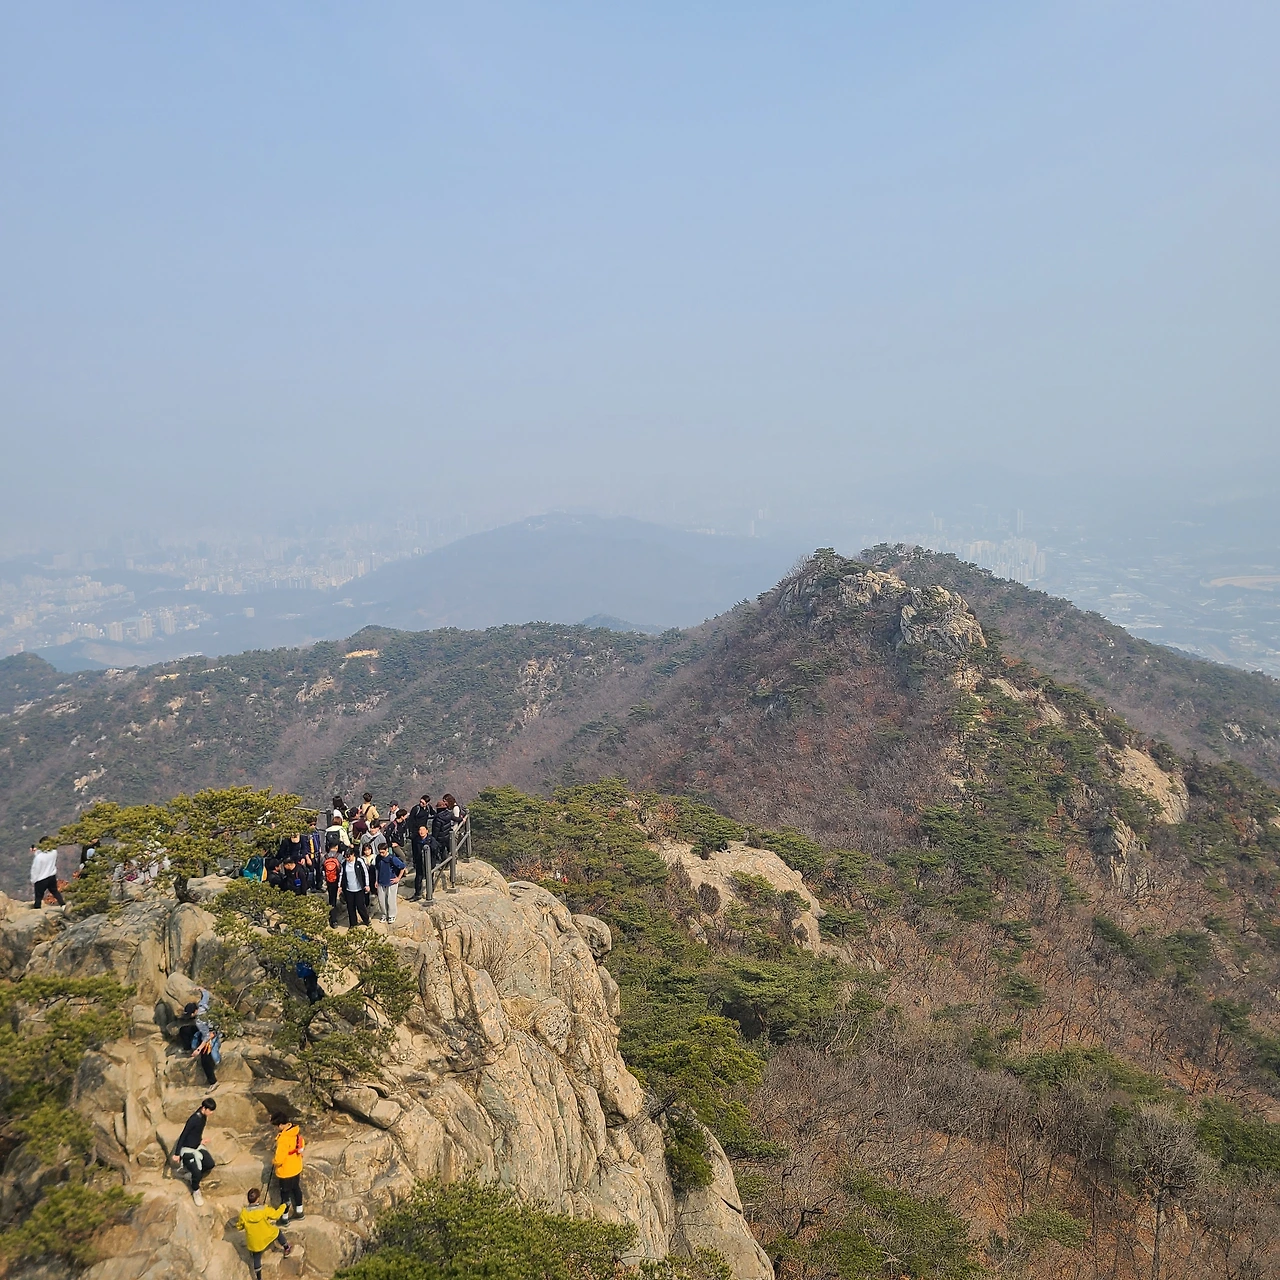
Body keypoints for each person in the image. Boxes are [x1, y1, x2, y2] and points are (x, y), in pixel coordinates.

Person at [235, 1187, 292, 1276]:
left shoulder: (244, 1213)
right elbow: (276, 1215)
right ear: (258, 1199)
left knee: (256, 1257)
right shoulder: (264, 1209)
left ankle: (259, 1277)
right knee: (277, 1232)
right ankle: (286, 1248)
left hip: (254, 1243)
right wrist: (284, 1205)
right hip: (266, 1236)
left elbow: (239, 1227)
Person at [170, 1097, 217, 1206]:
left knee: (210, 1164)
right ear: (204, 1108)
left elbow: (196, 1133)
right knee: (197, 1172)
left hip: (197, 1146)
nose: (212, 1113)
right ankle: (195, 1190)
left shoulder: (203, 1117)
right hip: (188, 1150)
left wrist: (200, 1141)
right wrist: (177, 1154)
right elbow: (184, 1135)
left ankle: (191, 1176)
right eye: (210, 1110)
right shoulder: (194, 1119)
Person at [182, 988, 220, 1088]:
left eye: (190, 1014)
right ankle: (187, 1049)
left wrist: (198, 1049)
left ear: (195, 1011)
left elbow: (207, 1036)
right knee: (184, 1030)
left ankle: (213, 1082)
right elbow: (206, 994)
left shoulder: (200, 1021)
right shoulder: (202, 1005)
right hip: (206, 1030)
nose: (190, 1016)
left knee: (205, 1060)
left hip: (210, 1034)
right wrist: (200, 989)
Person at [271, 1114, 306, 1221]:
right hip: (296, 1167)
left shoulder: (283, 1139)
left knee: (285, 1195)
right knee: (296, 1189)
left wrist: (274, 1161)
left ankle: (284, 1217)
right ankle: (299, 1212)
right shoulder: (295, 1131)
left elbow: (279, 1158)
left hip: (285, 1171)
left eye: (276, 1126)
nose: (276, 1128)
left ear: (281, 1125)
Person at [373, 839, 406, 924]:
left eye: (383, 852)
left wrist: (398, 878)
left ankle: (392, 915)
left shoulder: (392, 858)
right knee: (381, 900)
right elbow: (377, 869)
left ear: (387, 850)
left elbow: (402, 867)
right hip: (381, 881)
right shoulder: (378, 858)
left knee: (390, 900)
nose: (381, 854)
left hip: (391, 881)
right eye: (380, 852)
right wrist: (376, 880)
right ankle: (384, 914)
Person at [341, 848, 371, 927]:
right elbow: (341, 874)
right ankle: (353, 924)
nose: (347, 859)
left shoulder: (359, 861)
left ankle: (366, 920)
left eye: (349, 857)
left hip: (359, 888)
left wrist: (367, 885)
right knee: (350, 907)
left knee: (360, 906)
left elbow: (365, 873)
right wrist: (339, 886)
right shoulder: (344, 863)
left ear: (353, 854)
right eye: (346, 857)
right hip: (349, 889)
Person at [29, 844, 63, 910]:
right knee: (55, 892)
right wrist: (36, 851)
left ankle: (37, 910)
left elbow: (35, 869)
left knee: (38, 897)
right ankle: (63, 905)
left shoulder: (38, 857)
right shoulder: (54, 852)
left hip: (41, 879)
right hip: (51, 876)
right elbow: (46, 854)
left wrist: (33, 880)